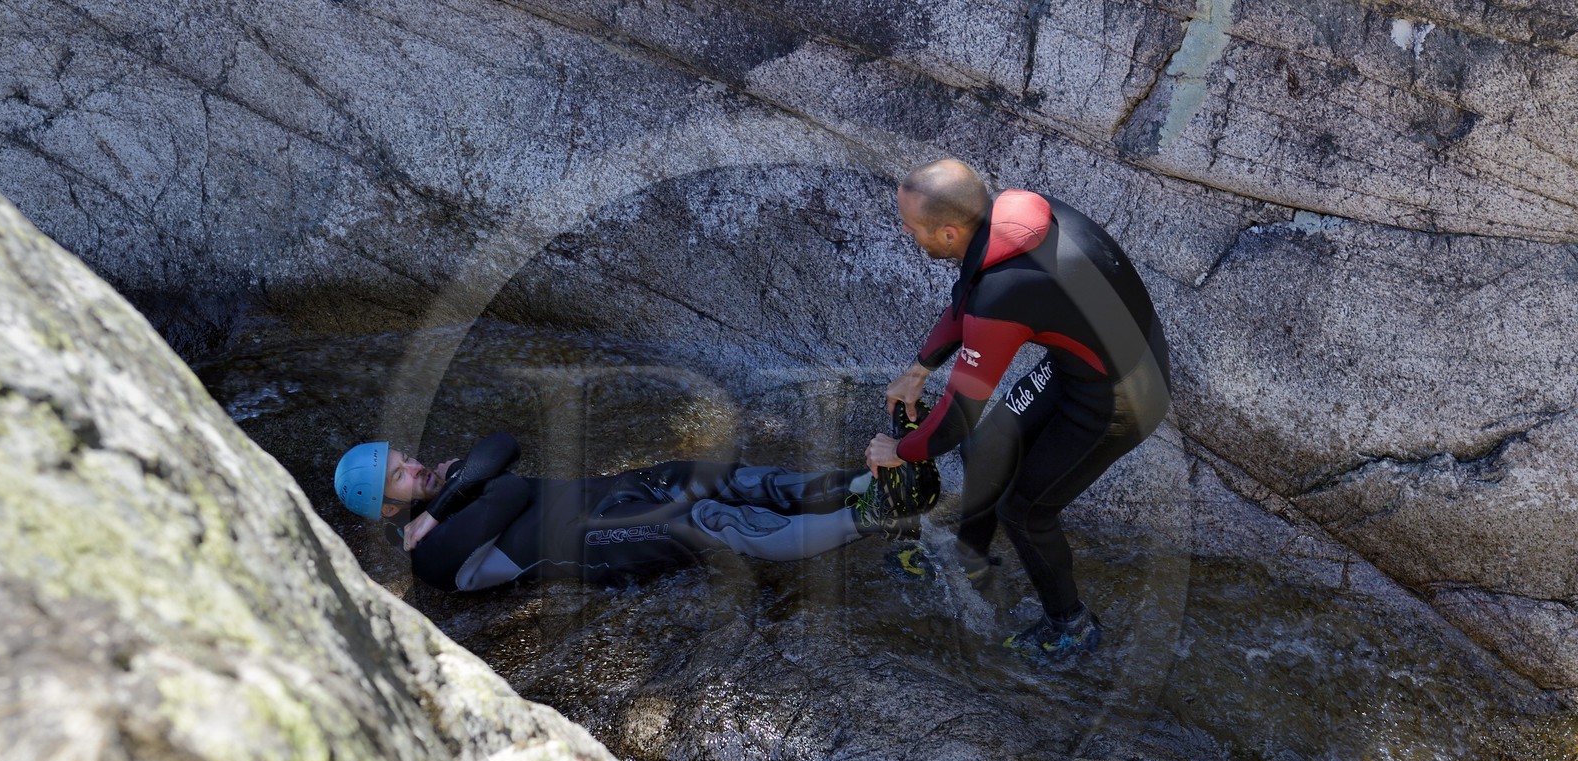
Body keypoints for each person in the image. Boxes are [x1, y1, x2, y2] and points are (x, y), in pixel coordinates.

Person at [866, 158, 1171, 658]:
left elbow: (954, 418)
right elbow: (969, 298)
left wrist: (899, 449)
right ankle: (969, 558)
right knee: (987, 448)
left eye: (912, 227)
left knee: (1025, 510)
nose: (905, 231)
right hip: (1092, 361)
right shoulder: (1017, 214)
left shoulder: (1004, 293)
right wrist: (921, 367)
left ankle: (1072, 625)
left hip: (1123, 398)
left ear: (947, 232)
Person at [333, 431, 937, 592]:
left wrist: (443, 500)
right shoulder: (430, 558)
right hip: (595, 540)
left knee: (719, 476)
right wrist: (446, 508)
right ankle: (869, 517)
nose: (415, 469)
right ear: (388, 507)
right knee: (714, 522)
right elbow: (511, 492)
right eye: (400, 477)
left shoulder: (452, 487)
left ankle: (861, 483)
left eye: (406, 458)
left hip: (614, 487)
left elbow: (499, 446)